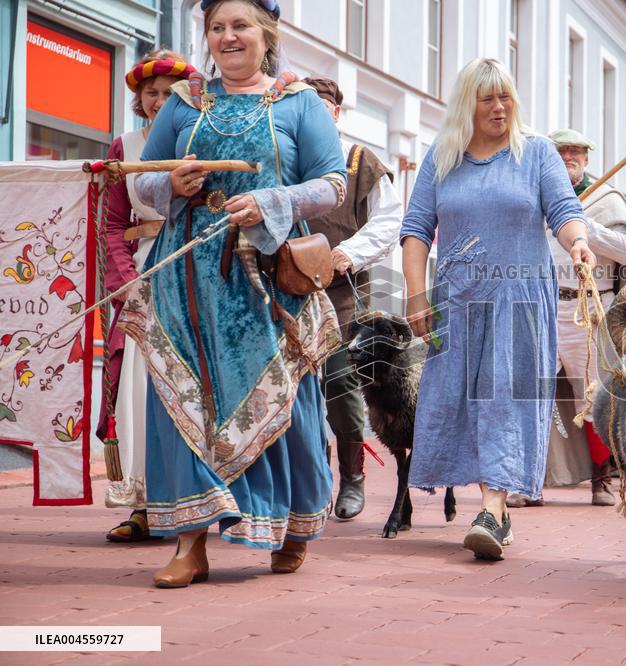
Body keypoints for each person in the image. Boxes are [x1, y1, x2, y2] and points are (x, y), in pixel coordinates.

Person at [123, 0, 347, 587]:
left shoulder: (298, 103)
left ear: (266, 33)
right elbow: (143, 183)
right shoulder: (183, 103)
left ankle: (294, 526)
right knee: (183, 405)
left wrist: (273, 201)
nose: (228, 37)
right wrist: (169, 182)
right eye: (217, 28)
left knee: (284, 404)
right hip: (187, 277)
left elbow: (333, 184)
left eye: (240, 26)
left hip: (267, 275)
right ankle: (189, 542)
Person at [400, 58, 595, 561]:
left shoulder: (536, 154)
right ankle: (497, 512)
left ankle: (492, 507)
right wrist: (416, 294)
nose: (499, 106)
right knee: (463, 403)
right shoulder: (441, 157)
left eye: (505, 96)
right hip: (457, 303)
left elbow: (564, 211)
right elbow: (417, 228)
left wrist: (578, 244)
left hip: (521, 301)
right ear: (468, 103)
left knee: (506, 400)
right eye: (487, 97)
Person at [506, 128, 626, 508]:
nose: (568, 157)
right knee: (534, 398)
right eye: (561, 151)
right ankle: (527, 483)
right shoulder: (536, 196)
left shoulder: (606, 200)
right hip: (544, 308)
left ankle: (602, 479)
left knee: (594, 397)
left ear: (587, 158)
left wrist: (585, 226)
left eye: (575, 152)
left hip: (591, 312)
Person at [99, 49, 196, 543]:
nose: (160, 102)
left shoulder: (205, 139)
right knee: (138, 389)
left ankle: (199, 499)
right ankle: (143, 504)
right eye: (151, 94)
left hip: (201, 279)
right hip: (144, 281)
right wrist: (126, 283)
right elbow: (113, 225)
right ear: (139, 100)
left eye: (170, 93)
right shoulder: (127, 146)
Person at [302, 76, 405, 521]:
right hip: (286, 291)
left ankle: (353, 479)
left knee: (341, 382)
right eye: (308, 107)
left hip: (344, 294)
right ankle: (311, 481)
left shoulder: (359, 161)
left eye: (324, 106)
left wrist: (349, 253)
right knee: (292, 390)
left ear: (337, 113)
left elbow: (389, 220)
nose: (317, 114)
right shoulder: (288, 158)